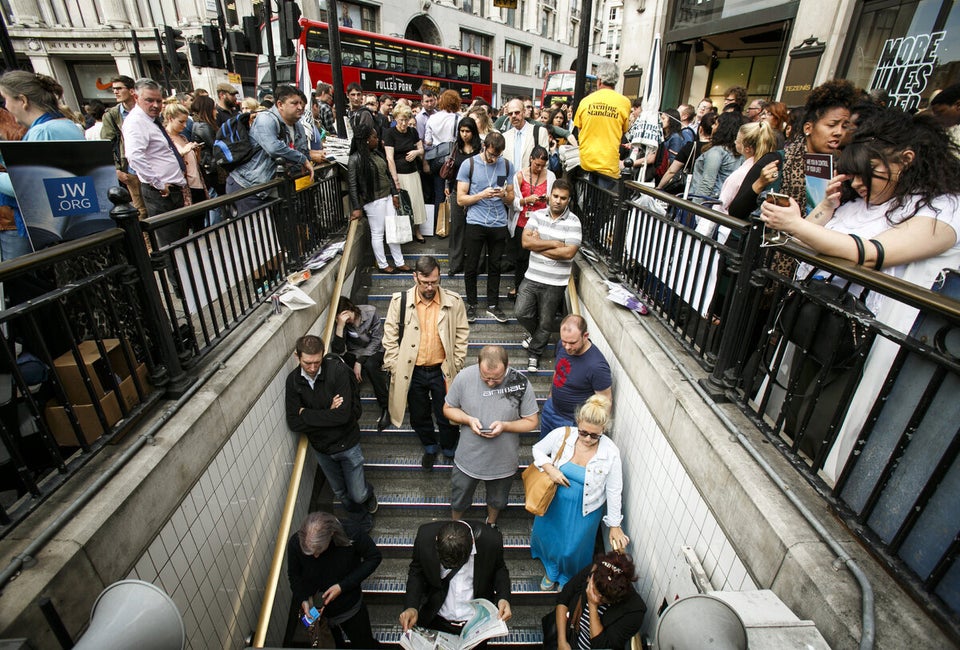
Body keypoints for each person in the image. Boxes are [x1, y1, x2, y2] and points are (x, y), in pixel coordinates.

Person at [759, 108, 960, 479]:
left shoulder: (940, 211)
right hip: (817, 320)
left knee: (825, 420)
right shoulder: (857, 204)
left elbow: (870, 254)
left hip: (864, 338)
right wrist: (825, 207)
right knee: (795, 401)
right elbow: (803, 242)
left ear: (905, 161)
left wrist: (796, 224)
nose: (856, 181)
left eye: (865, 172)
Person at [530, 394, 628, 590]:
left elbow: (614, 489)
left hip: (585, 510)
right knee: (551, 539)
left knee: (574, 548)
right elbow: (537, 449)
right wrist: (550, 468)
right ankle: (551, 570)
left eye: (595, 435)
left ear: (603, 430)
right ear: (578, 423)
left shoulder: (611, 453)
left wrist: (615, 524)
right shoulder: (562, 434)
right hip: (554, 502)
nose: (588, 439)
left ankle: (569, 577)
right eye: (583, 433)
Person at [382, 256, 469, 469]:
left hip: (442, 369)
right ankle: (430, 446)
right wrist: (395, 365)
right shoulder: (399, 302)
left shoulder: (453, 301)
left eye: (434, 281)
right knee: (419, 414)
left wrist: (456, 362)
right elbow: (389, 338)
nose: (430, 287)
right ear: (415, 277)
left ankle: (449, 447)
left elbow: (462, 333)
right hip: (413, 371)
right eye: (425, 282)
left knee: (447, 413)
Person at [443, 346, 539, 525]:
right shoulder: (464, 377)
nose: (490, 382)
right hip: (468, 457)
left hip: (503, 460)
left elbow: (531, 421)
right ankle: (456, 524)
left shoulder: (519, 382)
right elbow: (448, 409)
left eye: (497, 378)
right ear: (478, 364)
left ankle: (491, 523)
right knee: (459, 496)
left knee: (498, 500)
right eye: (485, 377)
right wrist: (468, 419)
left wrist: (505, 426)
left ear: (507, 365)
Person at [285, 335, 379, 516]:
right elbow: (294, 422)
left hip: (347, 444)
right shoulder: (293, 381)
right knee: (341, 494)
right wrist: (329, 410)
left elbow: (343, 416)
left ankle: (368, 495)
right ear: (297, 357)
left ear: (323, 355)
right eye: (307, 363)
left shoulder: (337, 372)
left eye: (317, 362)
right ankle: (359, 518)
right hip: (322, 450)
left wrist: (306, 413)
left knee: (358, 494)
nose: (312, 368)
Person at [0, 71, 85, 260]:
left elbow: (28, 187)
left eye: (5, 99)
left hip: (57, 228)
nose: (6, 107)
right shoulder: (63, 124)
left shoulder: (42, 131)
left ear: (22, 100)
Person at [399, 520, 512, 637]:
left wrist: (503, 597)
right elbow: (417, 571)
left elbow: (499, 568)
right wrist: (411, 606)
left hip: (476, 622)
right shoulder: (425, 537)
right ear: (437, 540)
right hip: (437, 618)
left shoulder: (491, 540)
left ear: (473, 543)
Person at [287, 512, 382, 648]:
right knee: (328, 645)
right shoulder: (295, 543)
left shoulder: (352, 532)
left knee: (364, 644)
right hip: (316, 610)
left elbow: (374, 557)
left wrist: (342, 586)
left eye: (319, 550)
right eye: (309, 551)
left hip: (349, 606)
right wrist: (302, 599)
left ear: (331, 534)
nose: (315, 555)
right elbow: (294, 574)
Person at [516, 179, 579, 371]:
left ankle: (535, 352)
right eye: (555, 196)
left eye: (563, 198)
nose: (558, 201)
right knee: (521, 312)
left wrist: (539, 245)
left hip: (555, 281)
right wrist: (554, 243)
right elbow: (526, 243)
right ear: (550, 195)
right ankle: (537, 337)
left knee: (546, 321)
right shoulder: (536, 215)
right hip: (532, 276)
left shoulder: (574, 222)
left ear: (568, 200)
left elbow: (568, 253)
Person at [227, 84, 316, 217]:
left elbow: (302, 150)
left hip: (269, 189)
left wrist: (304, 161)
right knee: (257, 233)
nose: (300, 107)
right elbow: (273, 148)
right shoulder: (265, 119)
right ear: (280, 104)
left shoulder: (297, 126)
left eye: (301, 104)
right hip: (248, 187)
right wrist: (302, 160)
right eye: (294, 103)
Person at [456, 130, 515, 324]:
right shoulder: (469, 164)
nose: (493, 159)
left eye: (497, 155)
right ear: (484, 147)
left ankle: (492, 304)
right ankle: (471, 304)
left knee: (496, 266)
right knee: (471, 265)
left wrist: (503, 196)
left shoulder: (506, 165)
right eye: (491, 154)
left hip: (498, 223)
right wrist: (482, 194)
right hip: (475, 221)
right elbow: (460, 199)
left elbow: (511, 196)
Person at [121, 78, 189, 244]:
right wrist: (158, 183)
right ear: (136, 98)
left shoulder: (151, 121)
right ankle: (174, 270)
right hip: (161, 193)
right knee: (169, 243)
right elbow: (134, 156)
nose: (156, 105)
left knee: (179, 241)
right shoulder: (136, 122)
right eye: (149, 100)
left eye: (159, 101)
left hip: (172, 190)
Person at [547, 551, 646, 649]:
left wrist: (592, 605)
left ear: (615, 599)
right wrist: (562, 641)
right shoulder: (596, 570)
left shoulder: (634, 611)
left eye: (602, 599)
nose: (595, 596)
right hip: (570, 637)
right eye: (594, 590)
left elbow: (601, 646)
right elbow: (564, 597)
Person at [348, 122, 410, 274]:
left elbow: (388, 176)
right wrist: (356, 207)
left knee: (392, 229)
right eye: (375, 137)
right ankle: (382, 264)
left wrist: (394, 194)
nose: (379, 140)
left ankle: (399, 261)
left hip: (387, 196)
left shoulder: (377, 154)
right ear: (367, 139)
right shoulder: (355, 159)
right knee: (378, 232)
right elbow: (353, 185)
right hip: (373, 200)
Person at [539, 315, 612, 436]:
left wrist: (593, 431)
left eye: (572, 343)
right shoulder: (561, 346)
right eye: (564, 341)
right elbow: (558, 371)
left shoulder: (597, 366)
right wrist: (551, 396)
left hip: (572, 422)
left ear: (585, 336)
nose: (567, 347)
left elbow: (605, 401)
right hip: (551, 409)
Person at [332, 296, 390, 431]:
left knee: (370, 365)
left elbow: (377, 340)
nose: (349, 321)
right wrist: (340, 326)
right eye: (344, 320)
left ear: (351, 309)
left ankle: (386, 406)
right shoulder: (343, 323)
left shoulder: (370, 313)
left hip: (376, 349)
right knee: (341, 364)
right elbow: (338, 351)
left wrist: (359, 361)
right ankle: (351, 406)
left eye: (348, 317)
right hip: (356, 351)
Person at [573, 63, 631, 191]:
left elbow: (579, 130)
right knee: (605, 205)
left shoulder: (586, 101)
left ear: (599, 81)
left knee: (586, 203)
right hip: (608, 163)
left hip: (587, 162)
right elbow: (624, 130)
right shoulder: (624, 102)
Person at [509, 145, 556, 301]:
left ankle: (534, 294)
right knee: (521, 259)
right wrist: (525, 200)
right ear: (531, 159)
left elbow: (555, 197)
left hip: (541, 223)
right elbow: (512, 200)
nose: (539, 168)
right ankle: (519, 289)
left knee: (537, 259)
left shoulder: (550, 176)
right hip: (522, 222)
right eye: (537, 164)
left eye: (542, 166)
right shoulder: (520, 175)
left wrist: (547, 198)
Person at [100, 75, 148, 220]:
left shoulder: (145, 108)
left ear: (132, 90)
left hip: (151, 164)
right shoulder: (112, 115)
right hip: (131, 169)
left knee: (158, 207)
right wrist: (117, 169)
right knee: (141, 211)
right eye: (114, 89)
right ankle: (147, 243)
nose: (115, 92)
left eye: (119, 88)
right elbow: (106, 144)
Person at [383, 103, 427, 244]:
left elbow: (421, 149)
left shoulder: (412, 132)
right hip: (399, 174)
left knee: (416, 202)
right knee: (402, 205)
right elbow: (390, 158)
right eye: (400, 120)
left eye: (406, 120)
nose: (403, 123)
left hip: (413, 172)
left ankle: (417, 231)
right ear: (395, 118)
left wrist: (416, 152)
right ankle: (404, 233)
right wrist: (395, 179)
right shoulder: (390, 133)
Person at [445, 116, 481, 276]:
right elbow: (450, 167)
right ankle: (455, 264)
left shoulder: (480, 148)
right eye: (462, 131)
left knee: (475, 230)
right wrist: (447, 185)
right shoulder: (455, 147)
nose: (465, 134)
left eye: (468, 131)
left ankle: (476, 265)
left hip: (476, 193)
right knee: (457, 229)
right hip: (456, 191)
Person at [426, 90, 462, 227]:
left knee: (438, 193)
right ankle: (452, 224)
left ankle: (438, 225)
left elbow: (428, 141)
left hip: (436, 159)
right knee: (453, 192)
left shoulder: (432, 118)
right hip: (453, 159)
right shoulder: (458, 119)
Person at [688, 112, 742, 201]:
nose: (712, 127)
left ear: (723, 128)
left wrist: (693, 208)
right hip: (722, 201)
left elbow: (707, 183)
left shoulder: (716, 152)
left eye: (716, 124)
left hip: (706, 202)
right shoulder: (737, 153)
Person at [190, 95, 224, 225]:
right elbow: (216, 146)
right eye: (214, 109)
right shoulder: (203, 127)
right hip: (212, 169)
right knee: (215, 200)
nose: (216, 112)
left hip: (211, 168)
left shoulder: (200, 125)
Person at [502, 98, 550, 188]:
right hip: (510, 188)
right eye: (510, 113)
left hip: (531, 188)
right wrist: (500, 186)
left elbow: (544, 163)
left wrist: (538, 187)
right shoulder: (505, 137)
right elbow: (500, 167)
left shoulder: (539, 132)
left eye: (517, 112)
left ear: (524, 112)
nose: (513, 116)